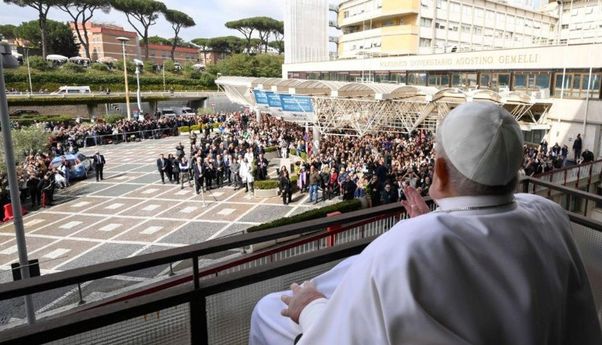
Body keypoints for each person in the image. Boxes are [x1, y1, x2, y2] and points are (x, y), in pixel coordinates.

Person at [249, 102, 602, 345]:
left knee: (267, 310)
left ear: (441, 170)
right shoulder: (547, 212)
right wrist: (432, 222)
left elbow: (340, 337)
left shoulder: (404, 244)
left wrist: (309, 306)